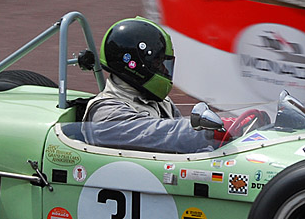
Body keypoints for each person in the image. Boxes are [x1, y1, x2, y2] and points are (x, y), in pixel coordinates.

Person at [81, 17, 219, 153]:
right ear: (135, 65)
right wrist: (211, 132)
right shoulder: (106, 114)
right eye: (158, 63)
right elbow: (159, 134)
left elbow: (187, 149)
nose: (165, 70)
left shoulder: (159, 101)